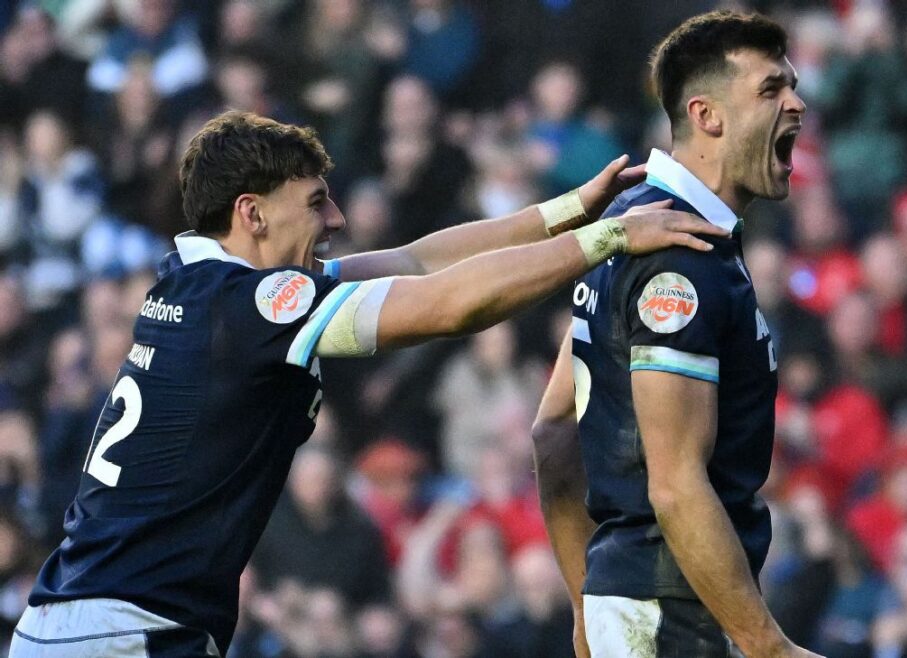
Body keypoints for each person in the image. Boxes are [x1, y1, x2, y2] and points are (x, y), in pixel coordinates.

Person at [9, 110, 723, 658]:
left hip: (83, 621)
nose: (337, 219)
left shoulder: (197, 282)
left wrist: (569, 210)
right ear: (252, 213)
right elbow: (447, 304)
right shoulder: (251, 307)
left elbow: (415, 262)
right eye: (315, 202)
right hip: (128, 633)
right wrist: (608, 240)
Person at [531, 11, 821, 658]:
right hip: (672, 611)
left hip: (633, 604)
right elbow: (676, 483)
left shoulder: (631, 224)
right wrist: (767, 645)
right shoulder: (680, 254)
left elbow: (553, 432)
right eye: (771, 89)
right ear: (707, 115)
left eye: (793, 86)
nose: (797, 104)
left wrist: (586, 604)